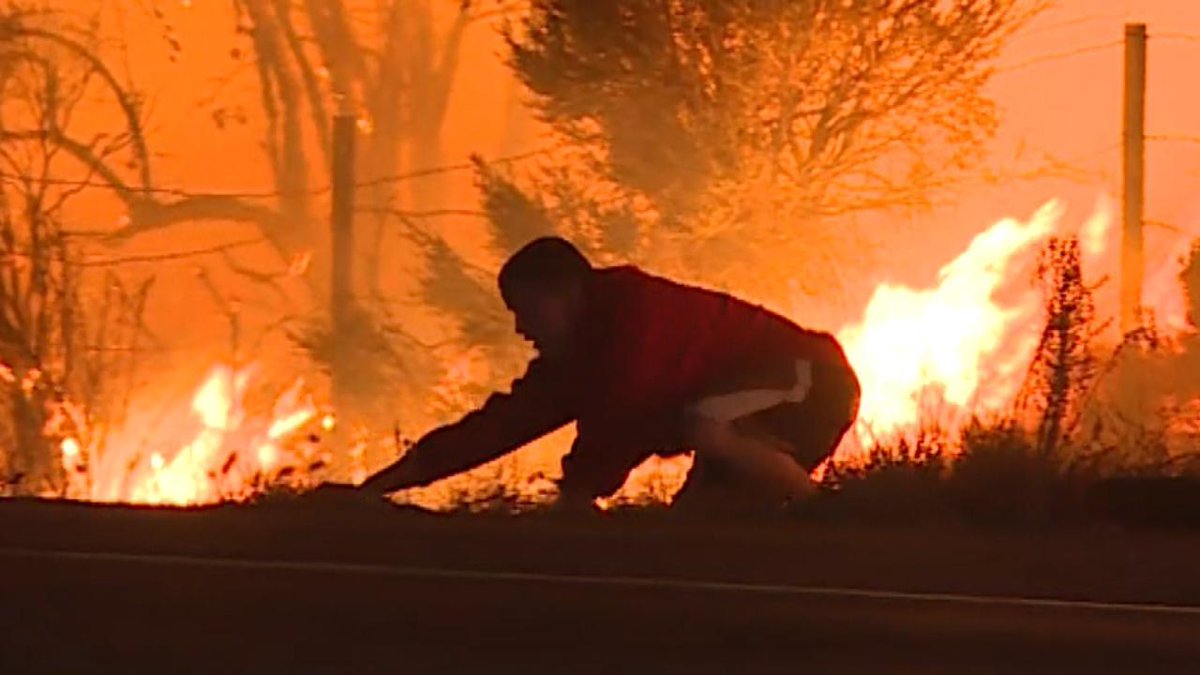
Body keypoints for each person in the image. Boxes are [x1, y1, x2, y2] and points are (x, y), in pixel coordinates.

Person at [359, 237, 860, 513]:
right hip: (746, 417)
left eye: (525, 309)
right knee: (694, 536)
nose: (520, 328)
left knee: (703, 425)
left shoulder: (634, 317)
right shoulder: (578, 355)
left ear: (566, 294)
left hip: (811, 380)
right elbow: (498, 427)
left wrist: (578, 494)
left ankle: (824, 517)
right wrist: (374, 489)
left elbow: (623, 417)